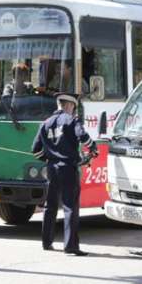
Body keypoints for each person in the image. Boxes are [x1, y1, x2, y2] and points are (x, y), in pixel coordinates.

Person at [31, 92, 98, 256]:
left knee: (50, 206)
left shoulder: (45, 123)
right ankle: (71, 246)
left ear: (58, 104)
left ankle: (47, 242)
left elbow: (35, 150)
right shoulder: (72, 120)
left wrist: (49, 159)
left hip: (52, 169)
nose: (73, 111)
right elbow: (83, 137)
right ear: (69, 105)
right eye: (73, 108)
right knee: (70, 207)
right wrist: (93, 149)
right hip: (68, 168)